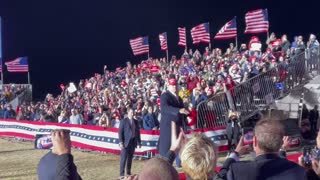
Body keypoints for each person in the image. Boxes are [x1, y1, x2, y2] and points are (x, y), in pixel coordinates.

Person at [218, 119, 306, 180]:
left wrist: (235, 154)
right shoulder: (298, 171)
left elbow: (219, 177)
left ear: (255, 141)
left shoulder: (238, 170)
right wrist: (282, 150)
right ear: (281, 142)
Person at [158, 78, 189, 158]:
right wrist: (179, 110)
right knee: (166, 149)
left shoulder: (179, 98)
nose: (174, 87)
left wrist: (186, 115)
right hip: (168, 126)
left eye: (175, 85)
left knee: (179, 148)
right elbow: (164, 108)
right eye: (172, 85)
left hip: (178, 126)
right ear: (168, 86)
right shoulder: (165, 96)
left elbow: (182, 112)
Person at [118, 107, 142, 177]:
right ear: (128, 112)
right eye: (131, 112)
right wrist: (121, 142)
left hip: (132, 142)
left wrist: (139, 142)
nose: (132, 113)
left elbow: (138, 132)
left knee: (130, 158)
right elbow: (120, 132)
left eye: (133, 112)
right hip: (125, 143)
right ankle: (121, 174)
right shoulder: (123, 121)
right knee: (123, 159)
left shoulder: (136, 121)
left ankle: (128, 172)